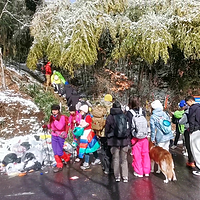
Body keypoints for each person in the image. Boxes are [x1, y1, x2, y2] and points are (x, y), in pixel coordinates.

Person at [105, 101, 131, 182]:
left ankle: (117, 176)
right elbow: (128, 128)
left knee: (115, 159)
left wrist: (108, 136)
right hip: (124, 141)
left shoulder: (110, 117)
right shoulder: (124, 116)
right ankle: (125, 176)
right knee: (124, 159)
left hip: (114, 141)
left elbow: (107, 129)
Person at [126, 97, 150, 178]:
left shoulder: (129, 113)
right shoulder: (142, 111)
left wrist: (129, 139)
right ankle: (146, 171)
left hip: (135, 138)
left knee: (137, 156)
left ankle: (139, 172)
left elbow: (129, 127)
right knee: (145, 154)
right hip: (144, 137)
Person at [43, 104, 70, 173]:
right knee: (55, 152)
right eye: (53, 110)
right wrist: (47, 126)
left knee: (59, 152)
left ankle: (67, 159)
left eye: (55, 110)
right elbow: (51, 126)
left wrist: (55, 120)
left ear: (58, 110)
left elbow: (60, 127)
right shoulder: (52, 117)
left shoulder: (62, 117)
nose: (54, 111)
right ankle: (59, 165)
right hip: (54, 135)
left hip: (60, 135)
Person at [74, 104, 101, 170]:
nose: (80, 112)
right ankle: (97, 158)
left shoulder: (87, 117)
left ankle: (86, 163)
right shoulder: (86, 116)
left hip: (87, 135)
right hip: (89, 135)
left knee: (86, 149)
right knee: (92, 147)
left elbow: (86, 124)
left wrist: (80, 124)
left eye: (81, 111)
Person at [185, 96, 200, 175]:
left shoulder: (192, 108)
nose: (187, 105)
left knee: (196, 150)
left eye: (187, 103)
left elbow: (192, 120)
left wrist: (191, 130)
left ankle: (199, 168)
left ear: (190, 101)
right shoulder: (199, 107)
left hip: (195, 131)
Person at [179, 103, 195, 168]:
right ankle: (196, 160)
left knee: (189, 146)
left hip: (188, 130)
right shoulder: (197, 110)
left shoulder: (187, 112)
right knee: (195, 146)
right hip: (196, 130)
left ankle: (191, 161)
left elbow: (181, 121)